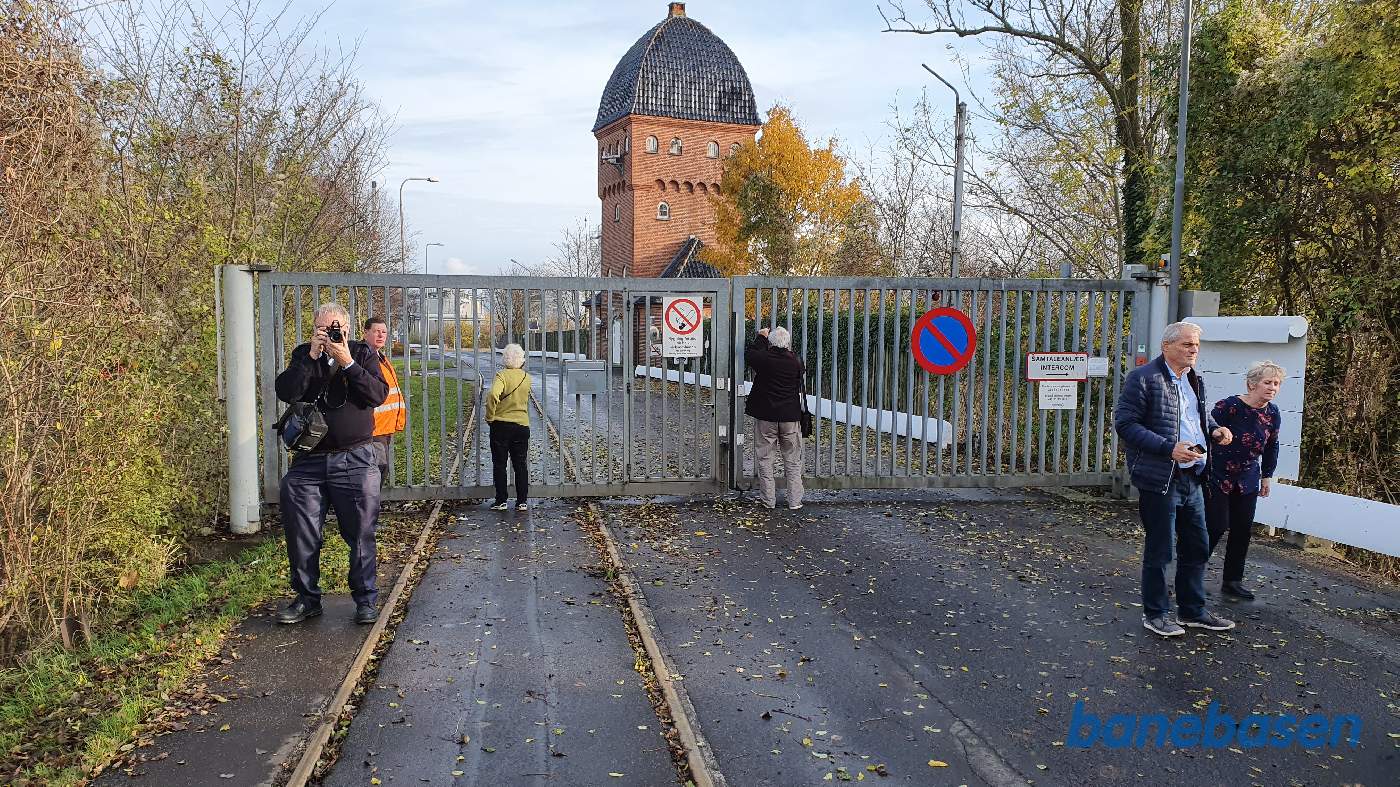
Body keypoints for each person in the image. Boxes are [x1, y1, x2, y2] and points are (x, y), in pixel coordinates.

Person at [1114, 321, 1236, 638]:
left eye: (1196, 345)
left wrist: (1215, 430)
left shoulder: (1194, 379)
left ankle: (1192, 611)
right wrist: (1169, 449)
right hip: (1160, 477)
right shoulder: (1143, 379)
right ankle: (1156, 614)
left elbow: (1198, 418)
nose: (1193, 350)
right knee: (1161, 549)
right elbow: (1126, 425)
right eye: (1187, 344)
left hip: (1194, 476)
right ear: (1166, 346)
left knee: (1197, 545)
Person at [275, 303, 388, 625]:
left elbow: (377, 394)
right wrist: (311, 357)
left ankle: (365, 600)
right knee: (301, 532)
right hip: (308, 462)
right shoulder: (303, 355)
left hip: (355, 457)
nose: (329, 334)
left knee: (361, 532)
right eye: (323, 329)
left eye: (334, 328)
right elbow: (286, 390)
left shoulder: (362, 354)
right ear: (315, 329)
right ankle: (306, 598)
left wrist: (347, 362)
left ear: (348, 329)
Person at [1206, 360, 1285, 601]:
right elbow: (1204, 428)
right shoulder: (1229, 406)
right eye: (1267, 382)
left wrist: (1267, 476)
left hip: (1248, 477)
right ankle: (1190, 574)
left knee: (1242, 530)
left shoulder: (1273, 413)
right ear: (1252, 384)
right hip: (1219, 475)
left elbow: (1272, 445)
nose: (1272, 387)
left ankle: (1232, 581)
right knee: (1216, 526)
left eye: (1277, 383)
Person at [745, 325, 805, 510]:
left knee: (765, 459)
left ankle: (768, 501)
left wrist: (762, 337)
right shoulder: (796, 361)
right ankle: (795, 501)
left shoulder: (765, 359)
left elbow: (751, 354)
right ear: (787, 343)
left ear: (771, 343)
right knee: (793, 460)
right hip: (790, 417)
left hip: (766, 417)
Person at [486, 343, 531, 511]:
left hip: (501, 426)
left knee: (500, 463)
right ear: (521, 359)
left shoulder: (501, 376)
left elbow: (492, 394)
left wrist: (490, 416)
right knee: (520, 464)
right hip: (521, 425)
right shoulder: (527, 377)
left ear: (505, 359)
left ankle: (501, 501)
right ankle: (522, 502)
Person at [363, 317, 407, 484]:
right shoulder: (363, 358)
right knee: (376, 471)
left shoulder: (380, 357)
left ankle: (370, 506)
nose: (381, 335)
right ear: (366, 332)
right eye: (376, 331)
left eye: (384, 332)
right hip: (373, 428)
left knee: (378, 470)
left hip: (384, 427)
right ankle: (369, 508)